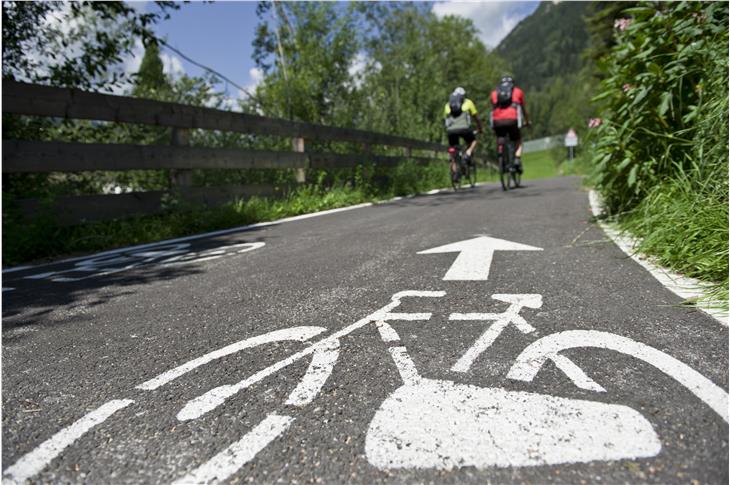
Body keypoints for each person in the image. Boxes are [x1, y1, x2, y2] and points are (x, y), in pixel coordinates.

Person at [489, 75, 529, 173]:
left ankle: (501, 155)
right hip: (512, 120)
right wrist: (527, 121)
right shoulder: (518, 92)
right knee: (518, 139)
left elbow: (493, 107)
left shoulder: (494, 93)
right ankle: (516, 159)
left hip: (497, 121)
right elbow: (523, 109)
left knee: (500, 138)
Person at [444, 86, 483, 165]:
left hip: (450, 131)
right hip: (464, 129)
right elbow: (476, 118)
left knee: (453, 150)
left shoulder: (447, 105)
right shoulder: (468, 102)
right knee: (473, 141)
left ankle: (454, 173)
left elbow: (445, 120)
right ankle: (468, 153)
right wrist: (480, 128)